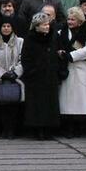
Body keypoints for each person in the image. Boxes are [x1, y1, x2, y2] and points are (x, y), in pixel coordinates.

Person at [20, 12, 60, 140]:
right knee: (36, 105)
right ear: (36, 26)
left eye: (47, 24)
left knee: (50, 103)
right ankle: (37, 129)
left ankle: (49, 128)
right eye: (43, 25)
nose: (47, 27)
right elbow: (25, 58)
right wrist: (32, 71)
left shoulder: (53, 37)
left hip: (50, 76)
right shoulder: (30, 39)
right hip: (35, 77)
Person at [57, 6, 86, 138]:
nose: (70, 22)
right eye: (68, 19)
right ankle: (68, 127)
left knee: (80, 100)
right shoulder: (61, 32)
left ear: (79, 21)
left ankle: (80, 127)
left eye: (73, 19)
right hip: (66, 68)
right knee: (66, 100)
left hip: (81, 67)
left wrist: (71, 55)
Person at [0, 16, 24, 139]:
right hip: (0, 80)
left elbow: (22, 60)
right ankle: (3, 129)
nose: (6, 28)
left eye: (8, 26)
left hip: (15, 80)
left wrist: (15, 73)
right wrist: (2, 74)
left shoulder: (20, 42)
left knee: (13, 106)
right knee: (1, 106)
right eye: (4, 26)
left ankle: (12, 130)